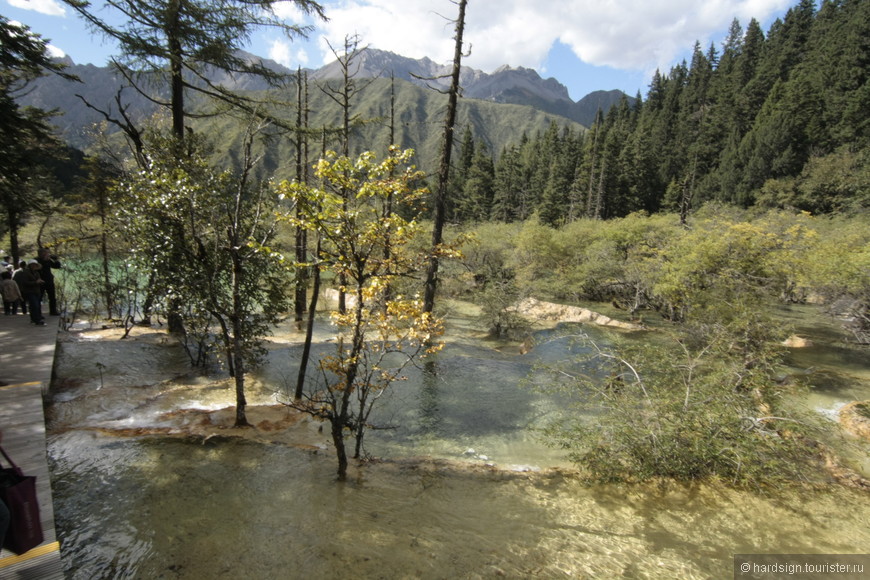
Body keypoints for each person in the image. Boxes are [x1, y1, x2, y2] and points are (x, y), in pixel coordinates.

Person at [36, 248, 61, 316]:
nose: (48, 254)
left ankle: (53, 311)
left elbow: (57, 266)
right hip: (40, 281)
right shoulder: (36, 260)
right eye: (46, 253)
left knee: (52, 297)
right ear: (41, 253)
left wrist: (55, 260)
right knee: (39, 297)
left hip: (49, 281)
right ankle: (38, 313)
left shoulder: (48, 260)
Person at [22, 260, 45, 326]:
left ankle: (33, 318)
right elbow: (25, 282)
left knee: (35, 305)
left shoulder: (37, 273)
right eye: (32, 265)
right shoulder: (26, 273)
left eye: (35, 265)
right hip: (29, 291)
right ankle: (37, 320)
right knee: (35, 305)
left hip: (37, 291)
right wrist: (35, 282)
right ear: (29, 265)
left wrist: (40, 282)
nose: (34, 266)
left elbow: (38, 280)